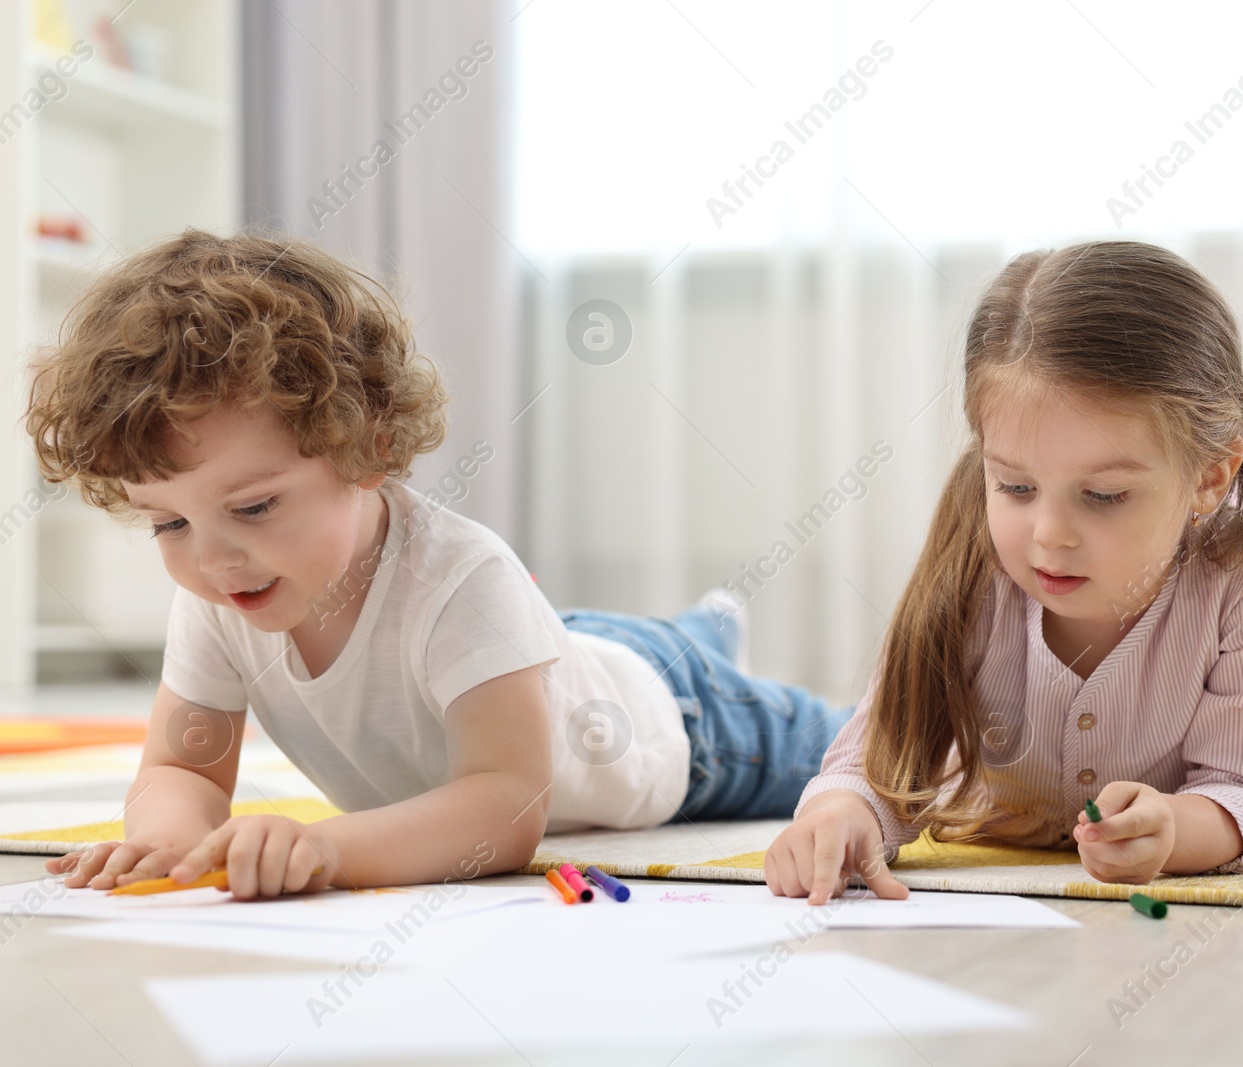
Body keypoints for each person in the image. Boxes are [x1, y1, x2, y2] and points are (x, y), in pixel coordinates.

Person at [26, 229, 851, 899]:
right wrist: (169, 836)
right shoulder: (220, 593)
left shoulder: (461, 578)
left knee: (875, 749)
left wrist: (322, 848)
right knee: (585, 650)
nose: (210, 557)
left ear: (369, 447)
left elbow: (506, 803)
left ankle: (701, 640)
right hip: (545, 662)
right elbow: (180, 766)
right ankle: (701, 626)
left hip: (685, 727)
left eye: (252, 508)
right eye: (168, 521)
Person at [764, 241, 1243, 903]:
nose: (1049, 535)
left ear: (1210, 477)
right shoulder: (972, 568)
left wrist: (1173, 827)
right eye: (1015, 486)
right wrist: (839, 814)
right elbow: (877, 759)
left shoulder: (1237, 578)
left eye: (1102, 496)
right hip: (1019, 813)